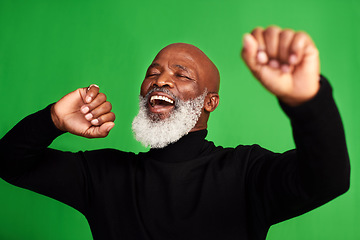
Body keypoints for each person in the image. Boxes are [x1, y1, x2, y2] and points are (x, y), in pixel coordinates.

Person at [0, 26, 350, 240]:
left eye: (182, 75)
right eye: (154, 72)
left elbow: (328, 179)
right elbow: (9, 163)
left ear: (209, 102)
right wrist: (52, 121)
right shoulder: (105, 176)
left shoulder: (246, 172)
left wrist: (308, 101)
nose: (161, 80)